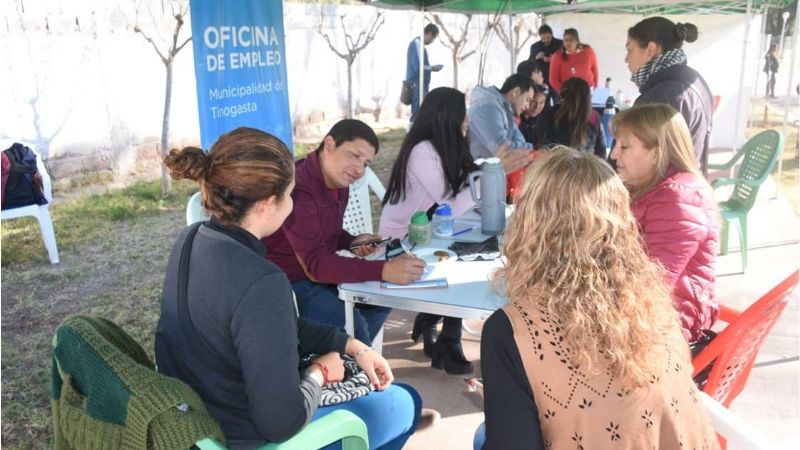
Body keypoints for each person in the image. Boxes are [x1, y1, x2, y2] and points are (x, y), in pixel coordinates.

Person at [156, 127, 421, 450]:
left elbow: (266, 327)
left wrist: (350, 344)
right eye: (290, 196)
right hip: (247, 437)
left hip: (199, 422)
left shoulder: (191, 240)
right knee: (406, 402)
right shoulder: (262, 281)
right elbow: (282, 421)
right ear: (268, 204)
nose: (293, 206)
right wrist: (320, 372)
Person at [475, 148, 720, 450]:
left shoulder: (510, 331)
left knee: (483, 436)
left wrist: (505, 401)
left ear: (527, 224)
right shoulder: (656, 304)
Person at [263, 119, 426, 345]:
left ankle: (345, 356)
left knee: (382, 300)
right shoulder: (299, 188)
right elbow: (316, 266)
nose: (359, 170)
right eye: (354, 155)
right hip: (287, 283)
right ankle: (349, 359)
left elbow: (326, 234)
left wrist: (351, 241)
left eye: (366, 163)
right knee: (353, 324)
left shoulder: (338, 182)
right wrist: (384, 270)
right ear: (329, 144)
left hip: (315, 275)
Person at [379, 87, 480, 375]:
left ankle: (439, 325)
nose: (467, 121)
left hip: (424, 231)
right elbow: (449, 204)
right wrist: (481, 186)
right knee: (457, 266)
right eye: (463, 115)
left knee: (466, 253)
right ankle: (445, 335)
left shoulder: (441, 147)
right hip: (399, 240)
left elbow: (457, 188)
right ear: (447, 117)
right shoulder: (423, 152)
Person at [610, 103, 720, 343]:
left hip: (669, 326)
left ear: (657, 152)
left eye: (624, 146)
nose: (613, 154)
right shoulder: (654, 189)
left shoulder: (677, 197)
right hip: (652, 314)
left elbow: (651, 285)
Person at [625, 17, 713, 172]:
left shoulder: (661, 95)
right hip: (686, 186)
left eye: (630, 50)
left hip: (665, 192)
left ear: (651, 49)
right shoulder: (692, 79)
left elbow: (637, 163)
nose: (626, 59)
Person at [531, 77, 606, 157]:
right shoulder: (594, 116)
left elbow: (538, 144)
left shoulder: (549, 113)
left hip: (554, 165)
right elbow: (601, 152)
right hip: (585, 166)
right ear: (588, 96)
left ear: (562, 94)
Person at [468, 74, 535, 160]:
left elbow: (519, 137)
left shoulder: (505, 110)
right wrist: (530, 147)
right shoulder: (488, 107)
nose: (528, 106)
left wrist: (515, 144)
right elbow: (502, 149)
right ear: (516, 92)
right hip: (479, 171)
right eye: (527, 100)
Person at [406, 24, 443, 121]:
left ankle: (418, 134)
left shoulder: (420, 46)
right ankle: (413, 134)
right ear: (429, 34)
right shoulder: (417, 43)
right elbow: (417, 67)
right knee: (417, 113)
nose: (432, 41)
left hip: (421, 83)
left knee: (421, 112)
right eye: (433, 38)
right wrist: (432, 68)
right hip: (416, 82)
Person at [549, 28, 599, 93]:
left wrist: (596, 87)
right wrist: (564, 92)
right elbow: (553, 80)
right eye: (566, 40)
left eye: (571, 40)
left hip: (588, 90)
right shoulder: (557, 56)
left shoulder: (588, 51)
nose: (568, 43)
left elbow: (595, 69)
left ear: (577, 41)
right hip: (568, 92)